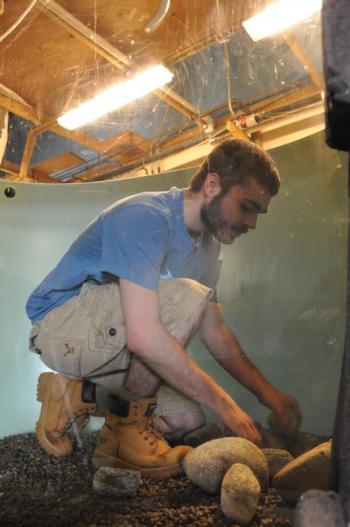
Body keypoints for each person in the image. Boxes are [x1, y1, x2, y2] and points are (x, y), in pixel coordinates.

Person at [26, 139, 302, 478]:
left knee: (187, 419)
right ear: (212, 184)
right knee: (188, 295)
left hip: (105, 344)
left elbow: (216, 333)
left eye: (258, 213)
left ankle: (76, 395)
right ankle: (123, 428)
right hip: (59, 325)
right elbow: (144, 337)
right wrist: (225, 404)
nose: (252, 223)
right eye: (246, 207)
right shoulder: (145, 217)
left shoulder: (206, 251)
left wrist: (266, 394)